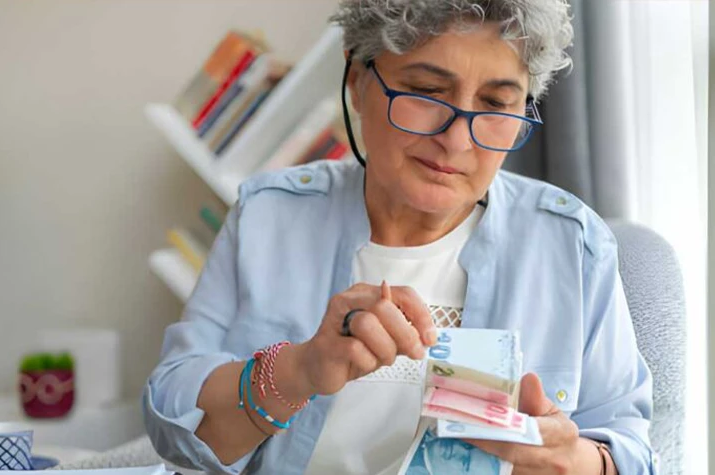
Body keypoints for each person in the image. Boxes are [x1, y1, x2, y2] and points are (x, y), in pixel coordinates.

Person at [143, 1, 658, 474]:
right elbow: (174, 424)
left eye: (497, 102)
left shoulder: (571, 244)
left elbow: (635, 453)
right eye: (426, 93)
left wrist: (574, 461)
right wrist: (300, 369)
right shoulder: (269, 216)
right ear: (357, 81)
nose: (456, 139)